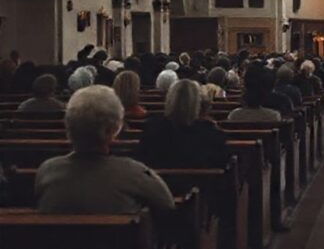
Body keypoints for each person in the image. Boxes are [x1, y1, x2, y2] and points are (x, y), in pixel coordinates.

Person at [35, 85, 174, 214]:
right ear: (112, 130)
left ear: (69, 126)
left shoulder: (47, 171)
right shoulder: (133, 173)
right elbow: (168, 205)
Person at [138, 80, 228, 169]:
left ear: (169, 99)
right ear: (197, 103)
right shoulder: (212, 134)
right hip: (200, 183)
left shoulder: (152, 128)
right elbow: (221, 164)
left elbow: (142, 160)